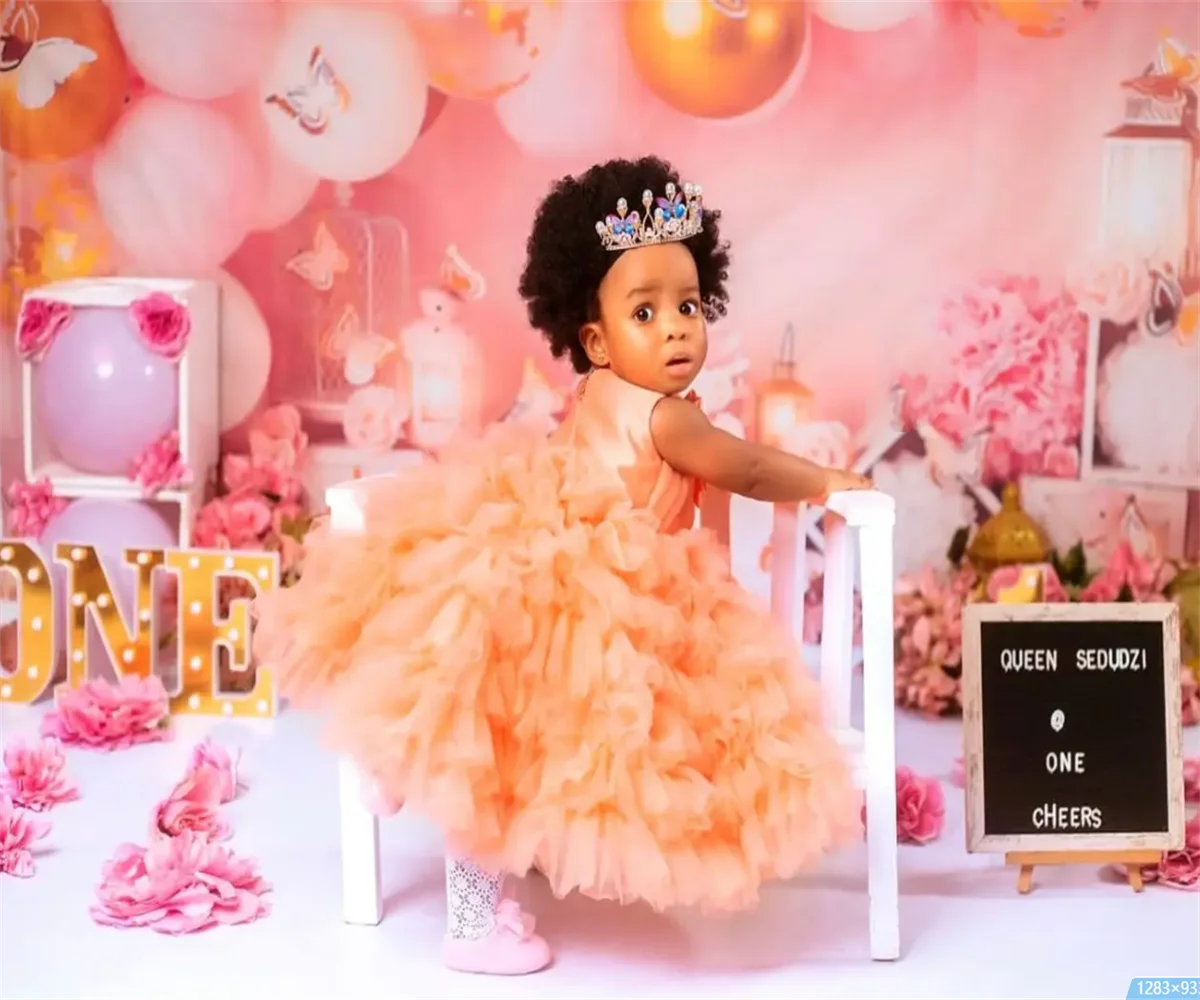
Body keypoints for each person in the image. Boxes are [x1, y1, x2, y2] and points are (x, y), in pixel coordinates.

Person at [253, 156, 873, 977]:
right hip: (601, 595)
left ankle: (398, 757)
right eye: (645, 311)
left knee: (494, 721)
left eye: (688, 306)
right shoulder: (667, 417)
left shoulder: (602, 396)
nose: (678, 327)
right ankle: (469, 924)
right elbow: (749, 469)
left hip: (543, 554)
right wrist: (829, 479)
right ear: (595, 338)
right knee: (513, 744)